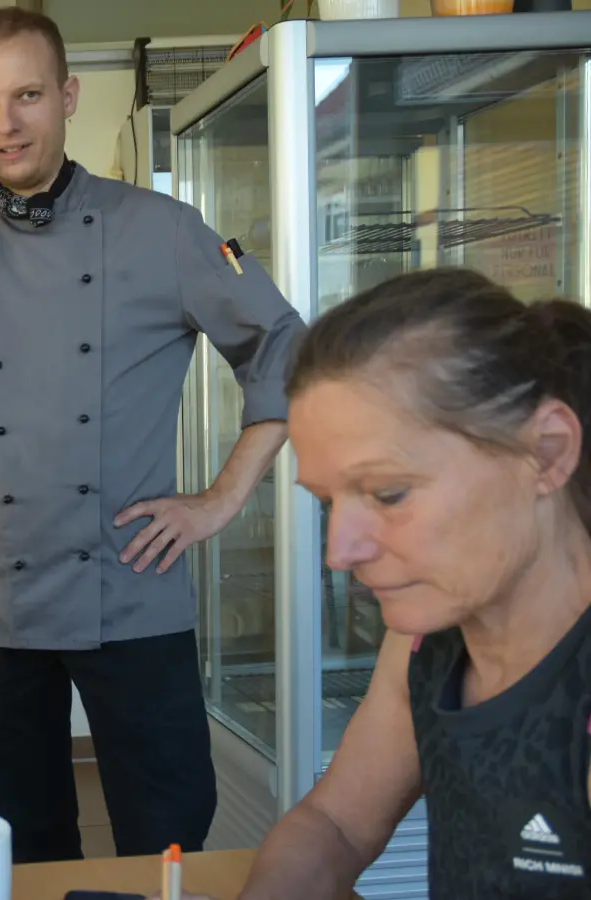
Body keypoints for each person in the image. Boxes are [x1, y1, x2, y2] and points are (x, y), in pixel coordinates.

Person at [0, 6, 307, 863]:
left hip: (133, 591)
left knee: (168, 830)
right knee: (25, 841)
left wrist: (221, 500)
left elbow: (285, 344)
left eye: (26, 95)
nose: (7, 122)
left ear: (67, 96)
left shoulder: (162, 228)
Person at [186, 268, 591, 900]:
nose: (341, 553)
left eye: (389, 493)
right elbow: (336, 824)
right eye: (327, 501)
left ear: (545, 452)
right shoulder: (429, 643)